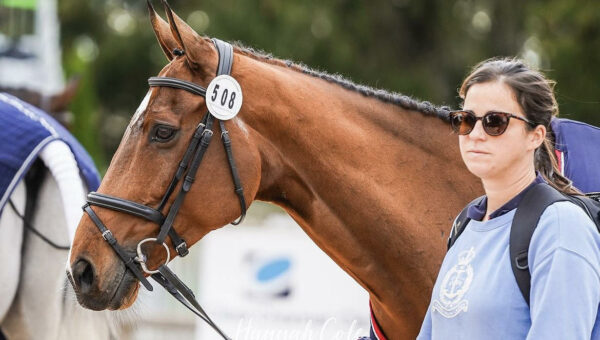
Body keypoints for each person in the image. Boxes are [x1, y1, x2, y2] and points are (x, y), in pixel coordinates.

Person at [417, 58, 600, 339]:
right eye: (465, 120)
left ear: (535, 136)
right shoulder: (465, 224)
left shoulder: (561, 227)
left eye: (494, 122)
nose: (475, 135)